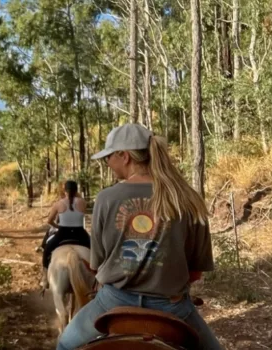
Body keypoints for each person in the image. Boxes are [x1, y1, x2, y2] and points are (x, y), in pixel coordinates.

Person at [56, 123, 223, 350]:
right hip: (172, 307)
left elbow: (96, 265)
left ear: (124, 156)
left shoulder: (106, 198)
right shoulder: (188, 197)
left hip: (114, 301)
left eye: (108, 157)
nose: (107, 163)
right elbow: (195, 273)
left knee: (65, 344)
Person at [39, 180, 91, 289]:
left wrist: (58, 227)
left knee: (47, 249)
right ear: (76, 191)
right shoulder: (83, 203)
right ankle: (99, 276)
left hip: (63, 234)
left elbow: (49, 221)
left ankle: (44, 277)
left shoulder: (58, 204)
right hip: (80, 233)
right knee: (95, 249)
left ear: (65, 191)